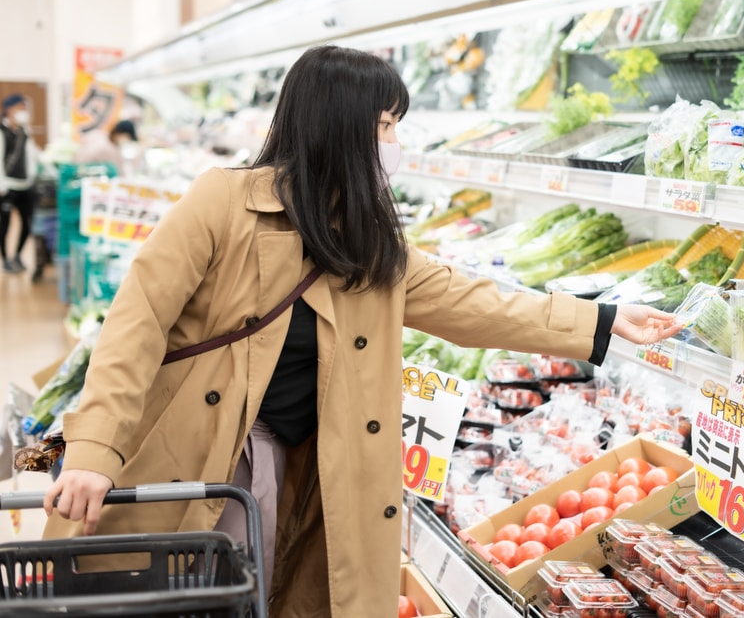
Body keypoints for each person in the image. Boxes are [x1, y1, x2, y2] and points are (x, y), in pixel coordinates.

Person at [41, 46, 680, 617]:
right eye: (384, 125)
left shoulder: (369, 242)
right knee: (197, 592)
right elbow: (136, 324)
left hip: (310, 469)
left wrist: (600, 320)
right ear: (338, 127)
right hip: (205, 454)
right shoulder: (223, 204)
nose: (393, 141)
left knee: (265, 592)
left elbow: (470, 300)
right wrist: (97, 450)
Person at [0, 93, 40, 273]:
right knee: (4, 225)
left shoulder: (25, 130)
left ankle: (17, 255)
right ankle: (5, 259)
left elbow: (32, 154)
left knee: (28, 223)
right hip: (7, 186)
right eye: (20, 108)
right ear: (9, 110)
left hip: (26, 184)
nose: (23, 112)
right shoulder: (2, 132)